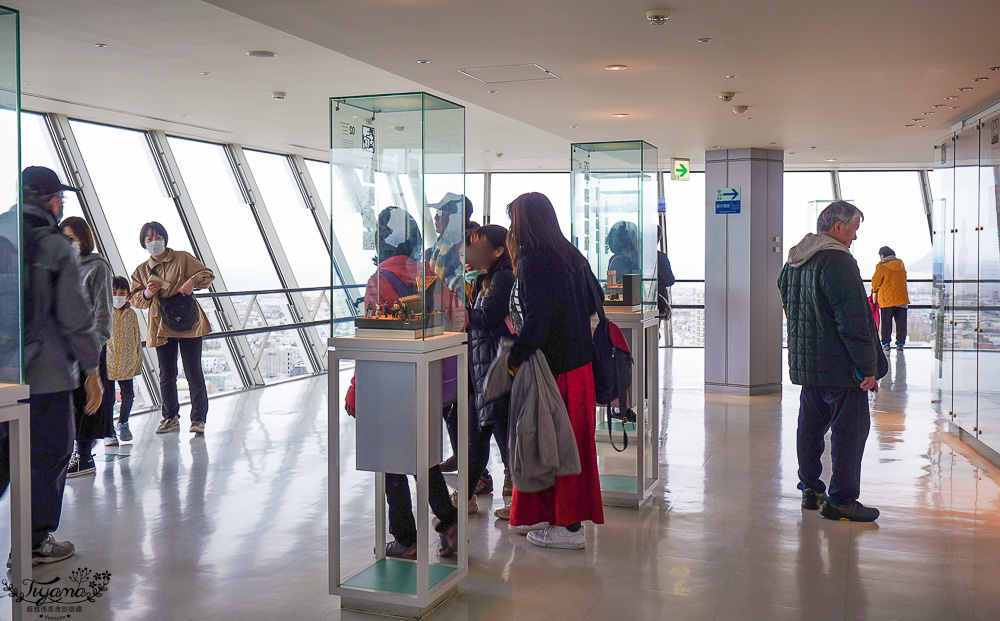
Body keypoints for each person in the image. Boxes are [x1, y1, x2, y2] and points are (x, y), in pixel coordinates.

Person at [0, 166, 102, 565]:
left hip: (2, 375)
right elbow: (75, 318)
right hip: (45, 374)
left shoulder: (3, 232)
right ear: (53, 201)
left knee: (2, 455)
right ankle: (34, 541)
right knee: (51, 452)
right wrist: (92, 371)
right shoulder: (55, 245)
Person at [345, 206, 460, 559]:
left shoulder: (380, 280)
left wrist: (355, 392)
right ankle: (449, 521)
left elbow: (373, 342)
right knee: (423, 456)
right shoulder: (427, 274)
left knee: (390, 462)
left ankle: (406, 538)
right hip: (428, 381)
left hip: (389, 386)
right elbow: (458, 318)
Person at [505, 192, 604, 550]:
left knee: (549, 445)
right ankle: (554, 516)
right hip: (580, 367)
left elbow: (537, 322)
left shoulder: (533, 262)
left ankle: (569, 527)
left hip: (553, 370)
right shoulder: (572, 255)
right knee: (570, 444)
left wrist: (513, 359)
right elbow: (596, 301)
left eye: (514, 220)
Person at [778, 200, 887, 523]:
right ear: (838, 227)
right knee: (850, 433)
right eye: (854, 229)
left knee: (810, 429)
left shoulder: (795, 261)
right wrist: (868, 367)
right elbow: (853, 320)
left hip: (808, 365)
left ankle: (811, 490)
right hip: (841, 368)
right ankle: (841, 501)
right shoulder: (837, 260)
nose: (855, 237)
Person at [128, 222, 214, 435]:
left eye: (157, 237)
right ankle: (169, 417)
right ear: (143, 243)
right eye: (149, 238)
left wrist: (192, 281)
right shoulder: (142, 270)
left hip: (189, 322)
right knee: (166, 373)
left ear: (165, 238)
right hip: (161, 324)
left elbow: (207, 275)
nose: (154, 242)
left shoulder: (182, 258)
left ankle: (198, 419)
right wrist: (147, 293)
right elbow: (134, 298)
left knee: (193, 371)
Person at [457, 224, 514, 517]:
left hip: (493, 365)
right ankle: (466, 494)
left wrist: (458, 311)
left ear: (498, 251)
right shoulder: (486, 277)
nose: (471, 251)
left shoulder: (503, 277)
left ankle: (519, 499)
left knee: (493, 432)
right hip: (483, 364)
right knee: (482, 433)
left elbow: (487, 316)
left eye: (478, 246)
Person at [60, 217, 114, 477]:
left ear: (83, 239)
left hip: (89, 346)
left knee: (87, 403)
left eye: (71, 238)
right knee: (71, 403)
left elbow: (103, 311)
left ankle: (84, 456)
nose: (67, 243)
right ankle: (75, 453)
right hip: (65, 348)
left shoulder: (97, 267)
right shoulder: (62, 267)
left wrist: (96, 345)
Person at [105, 275, 143, 445]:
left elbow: (137, 339)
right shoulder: (104, 313)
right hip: (108, 364)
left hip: (127, 364)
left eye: (122, 293)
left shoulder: (131, 315)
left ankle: (123, 422)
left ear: (128, 294)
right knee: (108, 400)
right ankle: (108, 430)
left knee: (128, 397)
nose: (118, 296)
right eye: (114, 293)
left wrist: (137, 363)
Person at [871, 246, 910, 351]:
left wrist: (874, 289)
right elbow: (904, 277)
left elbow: (875, 283)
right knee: (901, 323)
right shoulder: (900, 263)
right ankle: (900, 344)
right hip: (902, 298)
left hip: (886, 300)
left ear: (882, 255)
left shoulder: (881, 266)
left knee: (886, 323)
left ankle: (886, 344)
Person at [656, 224, 675, 319]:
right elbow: (669, 280)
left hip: (637, 303)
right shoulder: (660, 257)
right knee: (654, 327)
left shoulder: (635, 256)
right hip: (657, 303)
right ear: (658, 238)